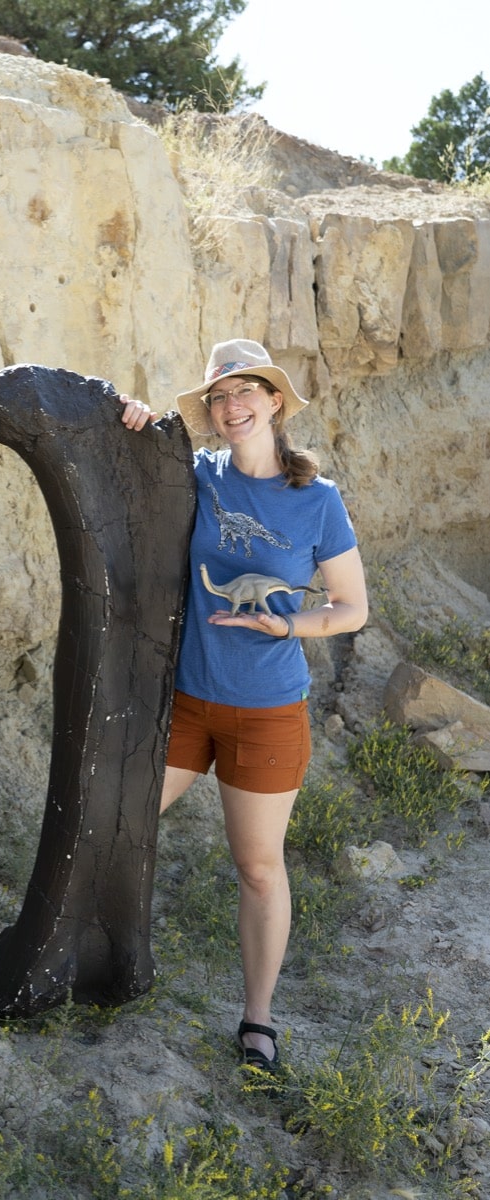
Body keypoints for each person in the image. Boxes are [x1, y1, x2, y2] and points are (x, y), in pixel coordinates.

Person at [119, 339, 368, 1072]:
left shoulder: (315, 500)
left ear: (274, 403)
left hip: (265, 708)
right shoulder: (196, 475)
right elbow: (128, 460)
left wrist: (286, 623)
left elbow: (350, 607)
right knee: (122, 819)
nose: (231, 409)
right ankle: (109, 953)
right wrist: (129, 418)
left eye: (245, 394)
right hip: (186, 704)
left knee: (258, 867)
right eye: (218, 398)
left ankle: (257, 1018)